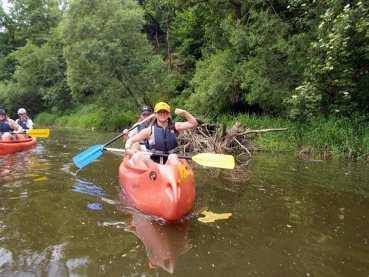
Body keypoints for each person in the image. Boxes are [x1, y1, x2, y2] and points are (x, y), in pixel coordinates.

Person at [125, 102, 198, 168]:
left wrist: (184, 112)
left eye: (165, 112)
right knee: (136, 157)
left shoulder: (175, 126)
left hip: (170, 164)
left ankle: (173, 179)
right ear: (155, 114)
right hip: (154, 166)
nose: (162, 114)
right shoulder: (149, 130)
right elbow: (130, 140)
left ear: (168, 114)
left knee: (172, 156)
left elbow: (193, 123)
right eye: (160, 112)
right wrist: (128, 150)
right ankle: (148, 178)